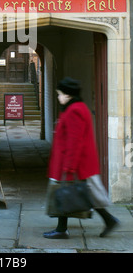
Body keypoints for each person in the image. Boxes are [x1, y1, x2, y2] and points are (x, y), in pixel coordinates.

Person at [44, 77, 120, 239]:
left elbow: (74, 141)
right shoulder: (75, 107)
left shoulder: (74, 110)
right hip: (75, 163)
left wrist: (69, 167)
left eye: (60, 94)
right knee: (76, 194)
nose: (58, 97)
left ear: (68, 95)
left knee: (72, 193)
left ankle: (63, 229)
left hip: (76, 164)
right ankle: (64, 228)